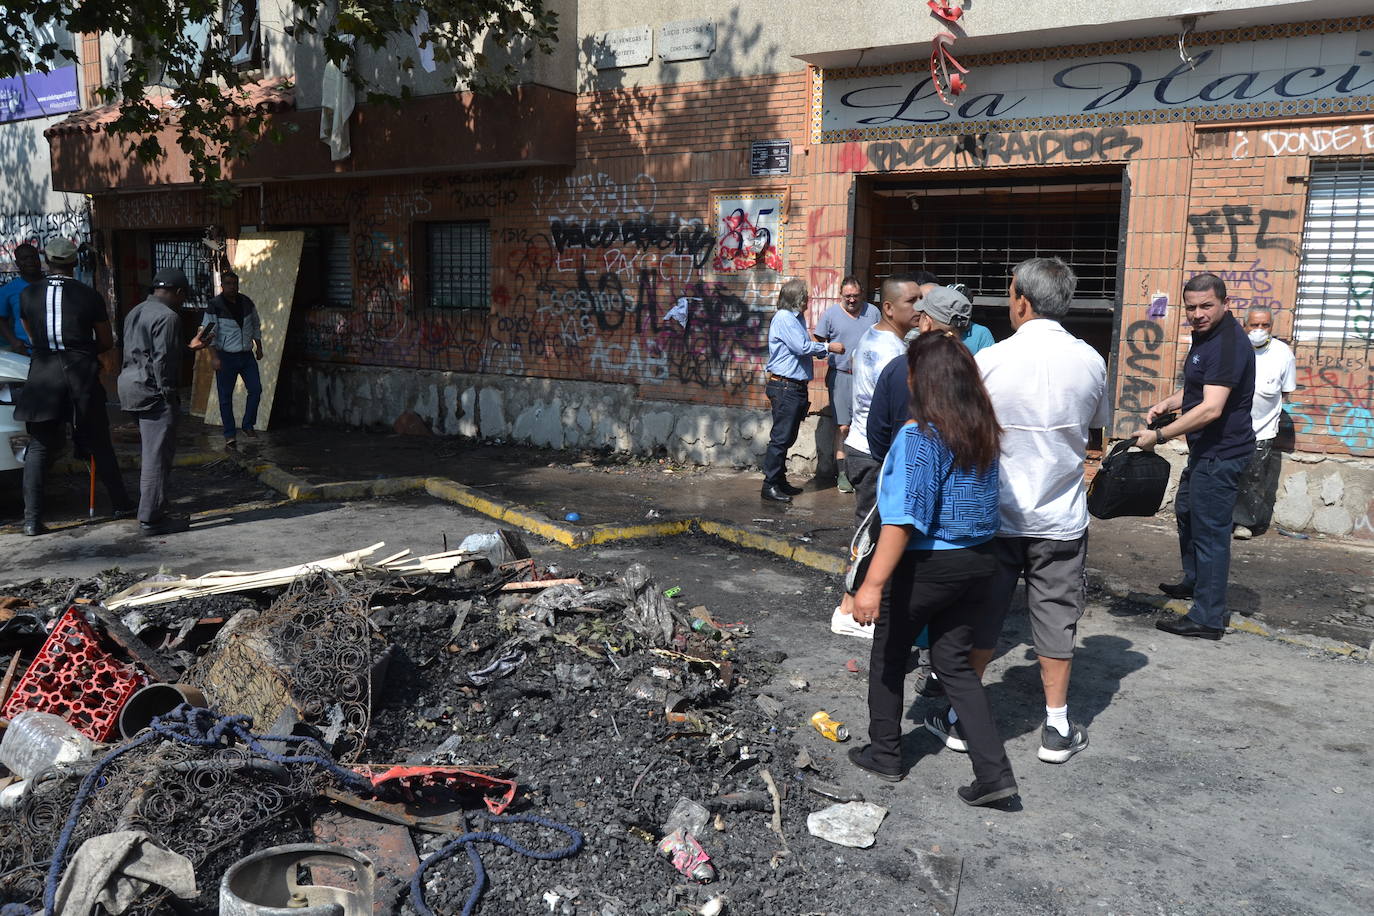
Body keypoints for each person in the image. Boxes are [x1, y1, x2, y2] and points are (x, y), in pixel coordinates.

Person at [935, 257, 1109, 765]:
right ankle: (1056, 726)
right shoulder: (1090, 361)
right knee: (1056, 618)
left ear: (1022, 302)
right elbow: (1093, 426)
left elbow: (962, 431)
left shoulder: (991, 362)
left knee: (983, 615)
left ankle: (961, 719)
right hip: (1059, 518)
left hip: (996, 516)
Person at [846, 330, 1018, 807]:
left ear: (923, 379)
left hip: (930, 564)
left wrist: (871, 586)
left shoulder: (919, 436)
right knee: (955, 667)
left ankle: (885, 754)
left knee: (888, 656)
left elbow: (903, 519)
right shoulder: (982, 429)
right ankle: (994, 775)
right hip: (979, 561)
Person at [1135, 273, 1256, 640]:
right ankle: (1195, 583)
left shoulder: (1228, 344)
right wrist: (1169, 403)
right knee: (1187, 513)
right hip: (1205, 452)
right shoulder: (1206, 337)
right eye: (1191, 307)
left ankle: (1207, 617)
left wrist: (1158, 436)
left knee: (1211, 534)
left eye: (1206, 306)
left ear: (1225, 303)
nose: (1197, 314)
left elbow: (1211, 408)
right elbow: (1198, 391)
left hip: (1221, 455)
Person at [13, 239, 135, 536]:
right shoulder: (88, 295)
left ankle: (31, 520)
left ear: (47, 260)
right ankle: (120, 504)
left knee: (39, 448)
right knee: (99, 443)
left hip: (42, 376)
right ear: (73, 263)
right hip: (80, 374)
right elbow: (106, 341)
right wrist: (81, 350)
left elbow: (31, 335)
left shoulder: (28, 294)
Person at [832, 274, 923, 638]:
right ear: (888, 307)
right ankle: (849, 611)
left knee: (872, 530)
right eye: (912, 301)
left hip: (864, 447)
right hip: (874, 452)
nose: (919, 309)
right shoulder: (893, 353)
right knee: (872, 535)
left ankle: (861, 606)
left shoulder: (872, 335)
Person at [117, 267, 214, 535]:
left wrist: (188, 348)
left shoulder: (135, 311)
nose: (182, 302)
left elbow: (144, 352)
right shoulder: (169, 317)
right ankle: (151, 518)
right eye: (183, 297)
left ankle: (155, 510)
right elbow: (163, 362)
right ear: (179, 292)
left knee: (152, 452)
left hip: (130, 387)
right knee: (156, 457)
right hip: (153, 392)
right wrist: (170, 395)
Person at [866, 282, 977, 464]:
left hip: (906, 474)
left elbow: (877, 435)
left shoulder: (901, 367)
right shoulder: (972, 368)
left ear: (926, 323)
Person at [761, 278, 843, 503]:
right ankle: (769, 485)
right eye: (805, 297)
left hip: (794, 386)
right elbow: (802, 347)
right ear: (797, 299)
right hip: (785, 386)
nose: (808, 301)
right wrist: (828, 347)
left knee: (787, 437)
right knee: (780, 438)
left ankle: (779, 480)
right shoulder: (785, 318)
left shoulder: (796, 318)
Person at [1233, 306, 1295, 539]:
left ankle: (1244, 523)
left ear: (1271, 327)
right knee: (1226, 474)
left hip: (1262, 430)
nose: (1259, 330)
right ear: (1245, 325)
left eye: (1265, 325)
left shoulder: (1282, 353)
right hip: (1229, 427)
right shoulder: (1234, 349)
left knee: (1254, 476)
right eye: (1254, 325)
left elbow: (1286, 391)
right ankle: (1220, 518)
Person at [815, 276, 878, 492]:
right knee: (843, 426)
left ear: (862, 294)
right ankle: (842, 474)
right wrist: (829, 347)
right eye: (847, 296)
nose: (852, 300)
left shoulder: (873, 312)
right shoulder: (831, 314)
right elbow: (817, 343)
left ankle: (864, 472)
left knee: (868, 424)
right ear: (841, 295)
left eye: (855, 296)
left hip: (867, 378)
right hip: (841, 375)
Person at [201, 271, 264, 448]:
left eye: (235, 284)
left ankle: (247, 425)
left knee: (256, 389)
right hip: (226, 356)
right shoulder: (215, 305)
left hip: (246, 355)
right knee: (225, 396)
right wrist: (214, 357)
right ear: (222, 285)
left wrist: (259, 347)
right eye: (228, 284)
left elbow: (256, 325)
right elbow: (208, 333)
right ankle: (229, 434)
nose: (232, 287)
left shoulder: (246, 302)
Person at [0, 243, 41, 354]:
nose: (30, 261)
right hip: (26, 352)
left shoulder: (52, 284)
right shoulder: (8, 290)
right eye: (24, 258)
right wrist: (14, 341)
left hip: (56, 351)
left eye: (33, 257)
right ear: (17, 263)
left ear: (39, 259)